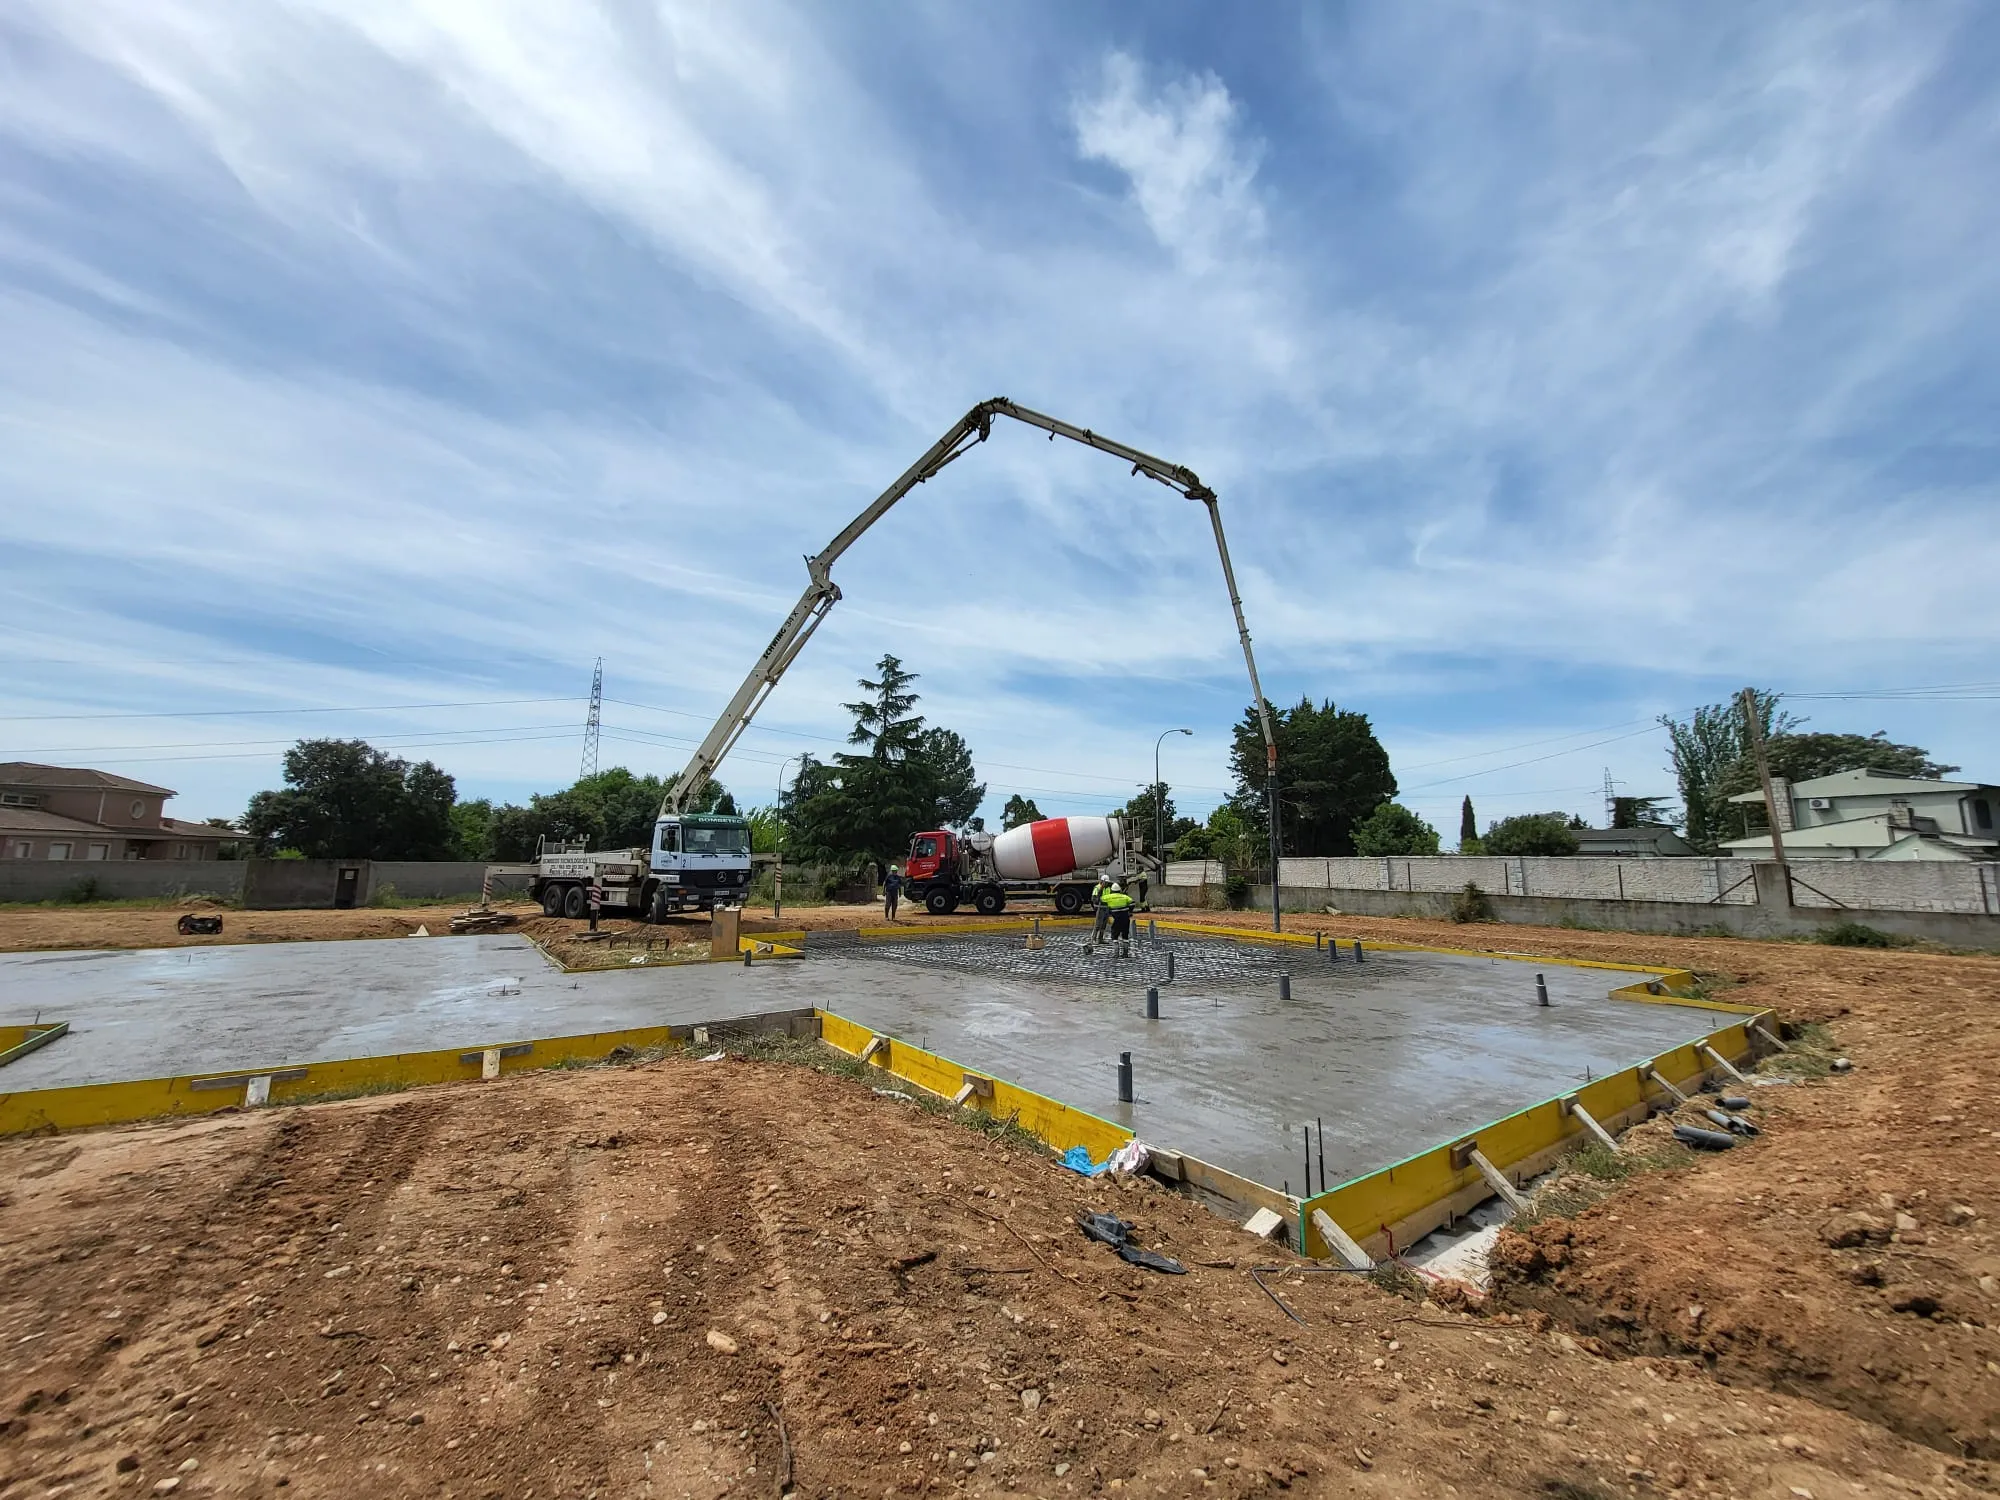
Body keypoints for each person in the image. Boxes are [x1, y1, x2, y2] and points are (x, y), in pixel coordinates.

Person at [1090, 874, 1111, 943]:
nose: (1107, 884)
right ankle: (1093, 938)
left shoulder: (1108, 888)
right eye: (1106, 882)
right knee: (1098, 924)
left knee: (1104, 925)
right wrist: (1100, 892)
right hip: (1100, 908)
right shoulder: (1097, 888)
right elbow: (1094, 899)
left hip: (1106, 908)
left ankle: (1100, 939)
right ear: (1102, 881)